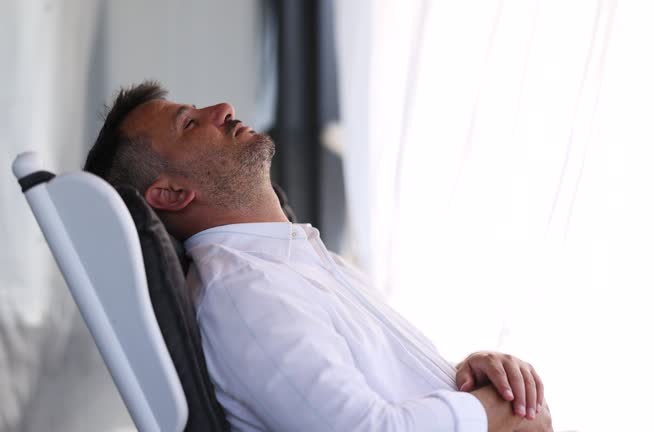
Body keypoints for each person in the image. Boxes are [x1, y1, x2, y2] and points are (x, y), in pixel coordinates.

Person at [84, 82, 553, 432]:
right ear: (170, 192)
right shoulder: (244, 293)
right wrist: (494, 412)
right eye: (189, 123)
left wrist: (470, 372)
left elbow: (389, 395)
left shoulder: (305, 263)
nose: (222, 109)